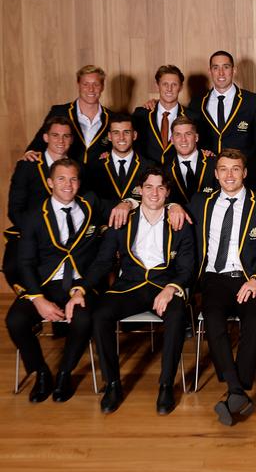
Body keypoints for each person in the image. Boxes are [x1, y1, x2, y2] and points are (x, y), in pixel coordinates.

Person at [67, 167, 195, 415]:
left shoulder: (180, 219)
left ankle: (166, 385)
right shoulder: (122, 218)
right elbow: (103, 262)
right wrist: (81, 288)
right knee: (100, 314)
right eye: (149, 187)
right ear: (139, 190)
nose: (154, 193)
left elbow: (188, 265)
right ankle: (112, 384)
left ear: (168, 192)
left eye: (160, 187)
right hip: (130, 286)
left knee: (178, 314)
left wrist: (172, 287)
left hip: (164, 285)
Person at [187, 149, 256, 426]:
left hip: (249, 277)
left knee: (253, 320)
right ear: (215, 174)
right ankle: (238, 391)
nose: (229, 175)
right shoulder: (200, 202)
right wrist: (172, 207)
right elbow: (169, 209)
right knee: (214, 319)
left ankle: (234, 391)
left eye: (235, 169)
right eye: (223, 169)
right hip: (214, 277)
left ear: (245, 172)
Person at [5, 159, 104, 403]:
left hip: (80, 283)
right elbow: (25, 262)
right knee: (15, 320)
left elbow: (102, 259)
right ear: (50, 182)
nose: (68, 185)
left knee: (83, 320)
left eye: (73, 179)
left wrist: (81, 291)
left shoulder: (91, 205)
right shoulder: (34, 216)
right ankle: (40, 373)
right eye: (61, 179)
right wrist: (38, 299)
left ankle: (64, 374)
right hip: (45, 283)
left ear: (79, 182)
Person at [4, 117, 74, 294]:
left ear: (71, 139)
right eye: (55, 135)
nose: (61, 141)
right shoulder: (28, 166)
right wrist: (37, 232)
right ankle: (31, 302)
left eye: (66, 136)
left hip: (68, 233)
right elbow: (15, 209)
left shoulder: (77, 167)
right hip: (33, 231)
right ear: (45, 137)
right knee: (14, 263)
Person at [26, 65, 112, 165]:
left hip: (99, 178)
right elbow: (41, 139)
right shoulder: (60, 112)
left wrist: (111, 154)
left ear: (102, 86)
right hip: (66, 176)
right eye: (85, 84)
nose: (91, 89)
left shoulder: (112, 118)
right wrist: (30, 152)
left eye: (96, 84)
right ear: (78, 85)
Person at [189, 51, 256, 158]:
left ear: (234, 70)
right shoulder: (196, 103)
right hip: (208, 170)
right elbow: (192, 139)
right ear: (210, 71)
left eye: (226, 67)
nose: (221, 73)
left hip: (244, 171)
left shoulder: (253, 102)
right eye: (216, 68)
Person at [86, 113, 152, 207]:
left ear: (134, 135)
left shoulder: (149, 167)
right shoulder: (94, 167)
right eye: (116, 132)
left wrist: (130, 204)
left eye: (126, 132)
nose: (121, 137)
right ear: (109, 136)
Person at [133, 65, 194, 165]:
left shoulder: (192, 117)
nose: (169, 89)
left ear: (181, 87)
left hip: (178, 176)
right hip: (148, 176)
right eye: (165, 84)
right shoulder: (141, 114)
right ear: (157, 86)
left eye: (174, 84)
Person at [164, 116, 218, 204]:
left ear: (196, 137)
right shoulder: (165, 170)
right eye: (178, 134)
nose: (183, 139)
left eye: (188, 134)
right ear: (172, 140)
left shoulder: (214, 163)